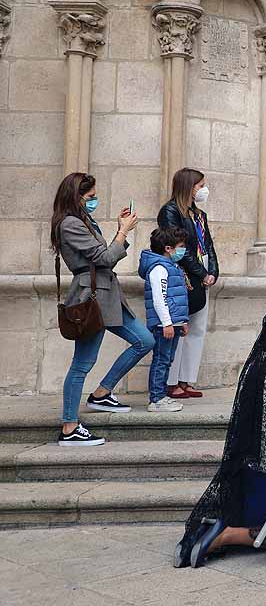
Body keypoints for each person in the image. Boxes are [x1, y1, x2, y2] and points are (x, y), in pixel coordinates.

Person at [175, 288, 266, 567]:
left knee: (256, 515)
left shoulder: (260, 358)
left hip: (249, 464)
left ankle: (218, 532)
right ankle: (224, 537)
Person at [51, 172, 155, 447]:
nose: (94, 201)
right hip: (91, 298)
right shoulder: (69, 224)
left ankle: (101, 393)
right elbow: (104, 258)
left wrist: (120, 229)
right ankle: (69, 427)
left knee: (144, 340)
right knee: (82, 364)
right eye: (90, 197)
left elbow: (103, 257)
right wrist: (123, 231)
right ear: (76, 197)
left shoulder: (83, 220)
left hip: (107, 296)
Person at [158, 168, 219, 400]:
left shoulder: (199, 215)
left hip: (202, 275)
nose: (204, 189)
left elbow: (208, 246)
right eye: (200, 185)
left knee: (197, 329)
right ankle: (172, 382)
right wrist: (201, 273)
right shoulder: (170, 211)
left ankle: (187, 380)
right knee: (179, 328)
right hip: (183, 275)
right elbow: (178, 248)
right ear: (188, 186)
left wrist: (213, 271)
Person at [140, 227, 192, 413]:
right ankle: (157, 398)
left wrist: (181, 321)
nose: (183, 250)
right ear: (168, 248)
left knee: (167, 359)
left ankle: (161, 395)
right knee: (161, 360)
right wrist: (167, 323)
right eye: (181, 246)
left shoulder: (172, 266)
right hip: (164, 324)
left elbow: (176, 297)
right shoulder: (159, 268)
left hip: (173, 323)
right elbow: (159, 298)